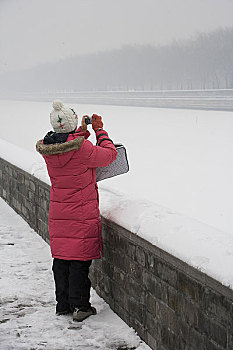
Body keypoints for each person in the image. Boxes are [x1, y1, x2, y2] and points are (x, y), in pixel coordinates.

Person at [36, 100, 117, 322]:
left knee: (61, 259)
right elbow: (110, 155)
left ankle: (63, 305)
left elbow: (71, 148)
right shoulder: (82, 149)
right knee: (79, 262)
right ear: (71, 125)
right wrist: (100, 131)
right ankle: (81, 307)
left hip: (60, 214)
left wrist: (82, 131)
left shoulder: (49, 147)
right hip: (80, 214)